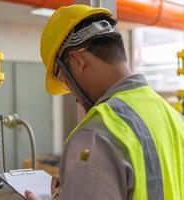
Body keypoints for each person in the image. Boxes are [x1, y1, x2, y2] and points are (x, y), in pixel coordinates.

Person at [25, 4, 184, 200]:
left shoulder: (96, 135)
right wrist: (79, 182)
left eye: (63, 79)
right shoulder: (173, 116)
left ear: (77, 61)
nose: (71, 92)